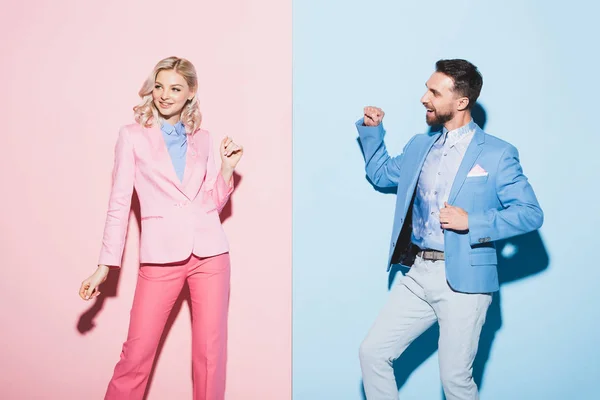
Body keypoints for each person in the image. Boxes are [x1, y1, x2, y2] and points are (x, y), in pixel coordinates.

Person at [356, 59, 543, 400]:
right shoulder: (419, 146)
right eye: (427, 88)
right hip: (418, 273)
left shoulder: (499, 154)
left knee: (455, 380)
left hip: (466, 282)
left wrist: (473, 222)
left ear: (460, 102)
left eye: (434, 92)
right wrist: (372, 131)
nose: (424, 98)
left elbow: (530, 214)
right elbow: (382, 174)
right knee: (373, 353)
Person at [78, 56, 243, 400]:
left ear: (191, 93)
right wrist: (104, 266)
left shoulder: (203, 138)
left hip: (211, 256)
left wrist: (226, 169)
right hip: (160, 259)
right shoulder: (132, 137)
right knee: (136, 356)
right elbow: (119, 204)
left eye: (175, 88)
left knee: (211, 356)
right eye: (159, 86)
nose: (164, 95)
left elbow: (211, 203)